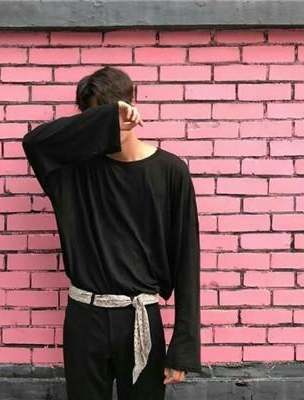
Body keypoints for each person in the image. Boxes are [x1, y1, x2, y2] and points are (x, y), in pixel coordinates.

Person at [22, 66, 201, 400]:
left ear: (134, 104)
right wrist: (104, 120)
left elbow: (187, 261)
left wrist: (184, 349)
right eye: (96, 117)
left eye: (111, 113)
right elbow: (34, 142)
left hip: (140, 317)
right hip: (84, 318)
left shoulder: (170, 171)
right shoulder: (72, 173)